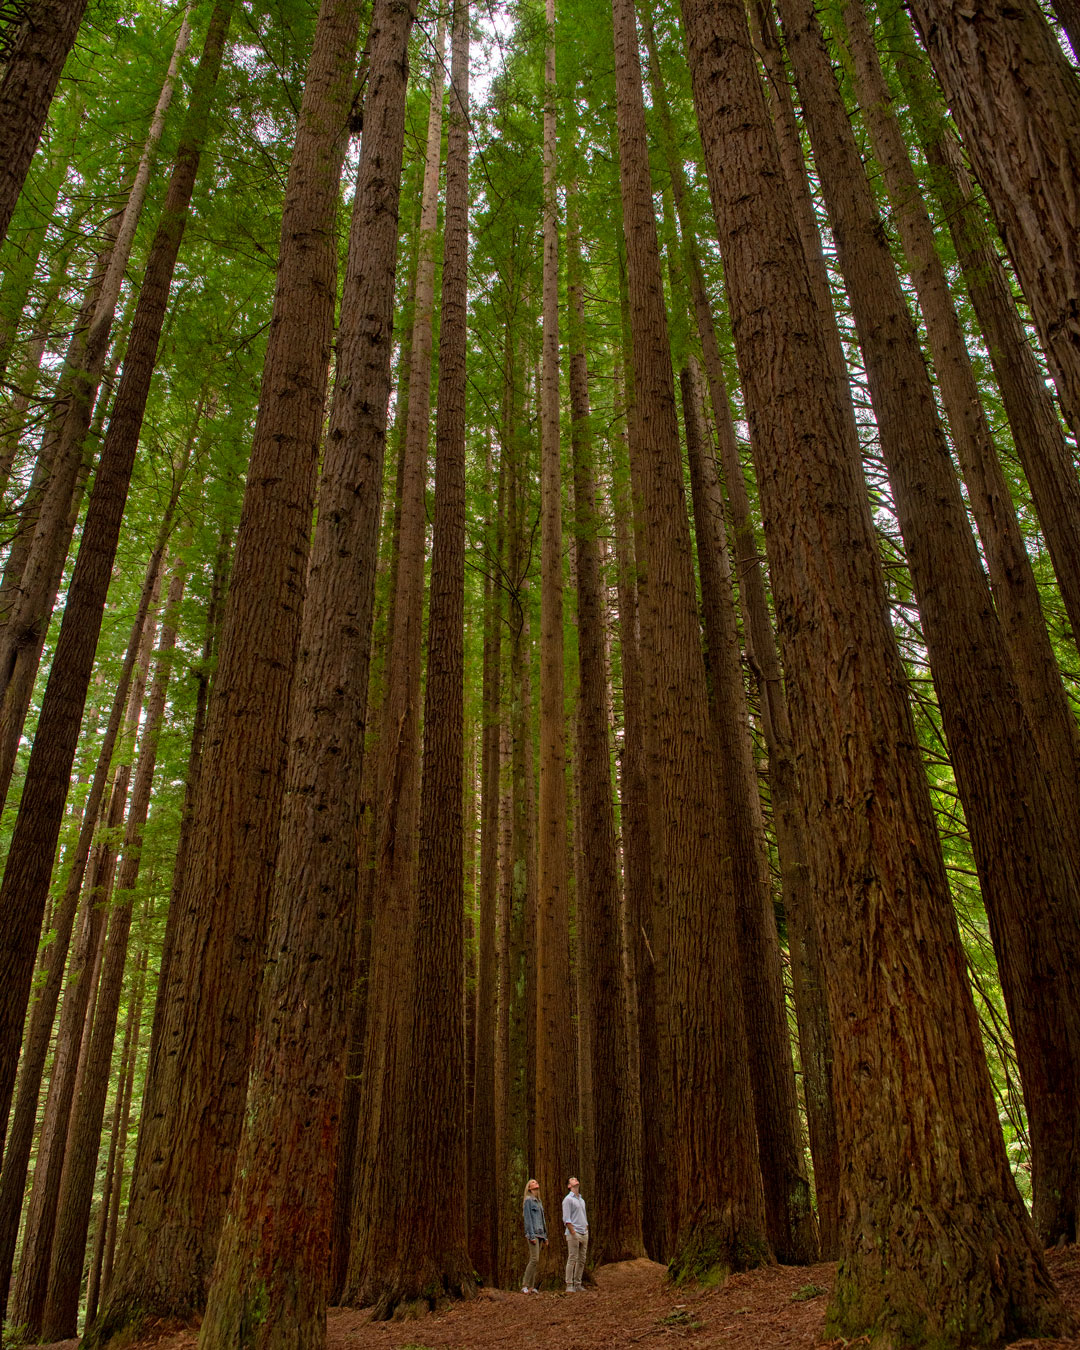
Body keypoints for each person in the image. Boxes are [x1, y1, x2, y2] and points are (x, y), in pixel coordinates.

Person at [562, 1175, 588, 1292]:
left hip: (584, 1232)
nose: (576, 1180)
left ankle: (578, 1283)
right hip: (574, 1233)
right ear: (569, 1186)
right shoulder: (568, 1200)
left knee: (581, 1259)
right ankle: (569, 1284)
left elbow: (583, 1216)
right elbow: (566, 1218)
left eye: (576, 1179)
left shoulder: (581, 1200)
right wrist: (572, 1231)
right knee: (572, 1258)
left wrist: (586, 1228)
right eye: (573, 1180)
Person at [522, 1178, 547, 1292]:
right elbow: (527, 1219)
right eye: (533, 1182)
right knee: (534, 1259)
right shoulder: (528, 1200)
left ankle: (532, 1287)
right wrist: (531, 1235)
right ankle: (524, 1285)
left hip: (541, 1234)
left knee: (536, 1261)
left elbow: (542, 1220)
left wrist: (545, 1236)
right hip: (533, 1233)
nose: (535, 1183)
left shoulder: (539, 1201)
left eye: (536, 1182)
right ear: (529, 1187)